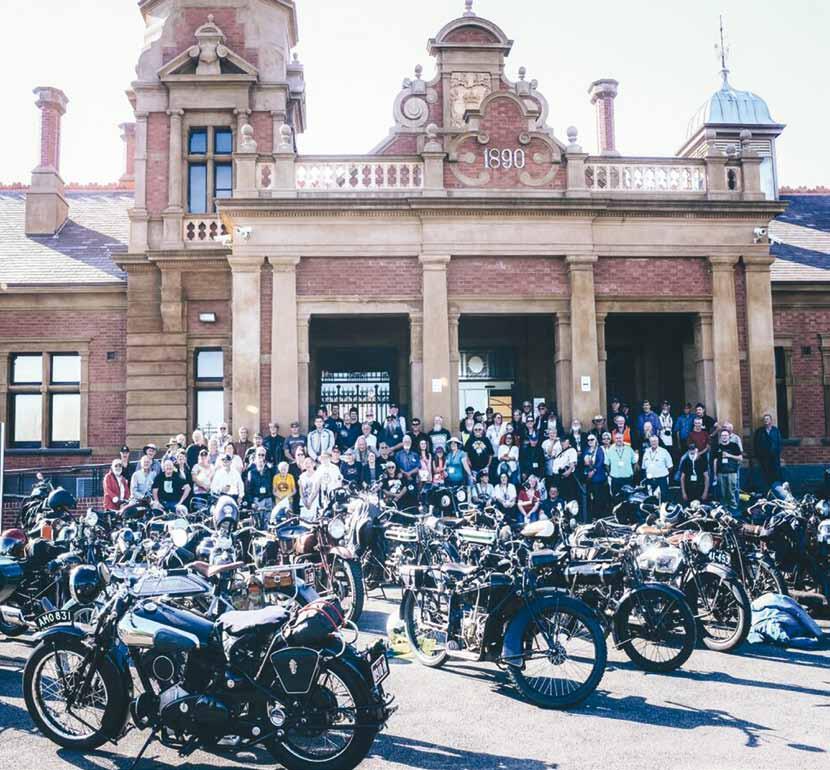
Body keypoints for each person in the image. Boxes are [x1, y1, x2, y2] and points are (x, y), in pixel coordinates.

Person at [715, 428, 742, 513]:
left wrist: (729, 455)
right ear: (720, 437)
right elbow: (715, 461)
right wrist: (715, 474)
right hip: (720, 472)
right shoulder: (717, 447)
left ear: (729, 437)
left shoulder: (734, 446)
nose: (724, 437)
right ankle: (724, 508)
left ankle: (734, 508)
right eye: (722, 435)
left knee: (731, 491)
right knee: (722, 492)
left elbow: (740, 458)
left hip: (732, 472)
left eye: (726, 435)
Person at [246, 447, 275, 525]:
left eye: (263, 455)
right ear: (255, 456)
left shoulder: (269, 471)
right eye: (259, 455)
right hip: (257, 499)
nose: (261, 458)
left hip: (268, 499)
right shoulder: (251, 472)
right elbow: (248, 489)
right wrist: (251, 501)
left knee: (268, 522)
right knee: (257, 522)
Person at [753, 413, 783, 489]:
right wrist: (758, 455)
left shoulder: (775, 430)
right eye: (764, 419)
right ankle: (766, 490)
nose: (766, 421)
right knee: (765, 474)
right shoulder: (759, 431)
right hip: (763, 457)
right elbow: (756, 444)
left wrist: (778, 453)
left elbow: (779, 443)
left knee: (775, 474)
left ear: (770, 420)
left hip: (774, 457)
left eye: (767, 419)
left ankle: (775, 489)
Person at [641, 434, 673, 501]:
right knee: (650, 500)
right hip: (650, 481)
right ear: (649, 442)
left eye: (655, 441)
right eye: (652, 441)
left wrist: (663, 475)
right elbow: (644, 467)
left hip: (662, 481)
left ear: (658, 441)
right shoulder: (646, 452)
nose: (654, 443)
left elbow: (670, 467)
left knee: (663, 500)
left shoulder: (664, 452)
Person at [605, 431, 638, 496]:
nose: (618, 440)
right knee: (616, 498)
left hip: (627, 479)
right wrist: (611, 474)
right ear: (614, 439)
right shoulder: (610, 450)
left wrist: (632, 473)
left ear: (623, 439)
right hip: (616, 479)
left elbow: (634, 463)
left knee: (628, 498)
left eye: (620, 438)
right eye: (617, 438)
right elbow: (607, 464)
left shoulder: (629, 449)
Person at [583, 434, 608, 520]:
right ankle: (592, 516)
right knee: (590, 498)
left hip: (598, 477)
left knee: (598, 498)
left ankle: (599, 517)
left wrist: (593, 471)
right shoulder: (586, 449)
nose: (590, 441)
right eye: (588, 440)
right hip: (589, 478)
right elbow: (585, 461)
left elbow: (601, 461)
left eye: (592, 439)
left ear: (596, 440)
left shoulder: (600, 449)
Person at [552, 436, 578, 501]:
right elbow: (551, 455)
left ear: (569, 443)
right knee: (559, 496)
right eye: (562, 442)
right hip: (557, 476)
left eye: (565, 442)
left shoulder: (572, 450)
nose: (563, 443)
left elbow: (572, 464)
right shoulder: (560, 451)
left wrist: (568, 472)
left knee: (566, 496)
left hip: (566, 477)